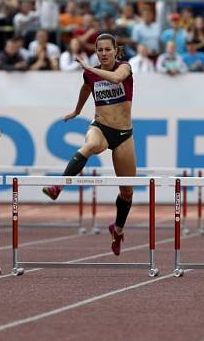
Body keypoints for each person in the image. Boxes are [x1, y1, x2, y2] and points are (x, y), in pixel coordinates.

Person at [42, 33, 136, 256]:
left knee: (127, 192)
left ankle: (118, 229)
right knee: (90, 146)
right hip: (101, 127)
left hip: (123, 134)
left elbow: (115, 79)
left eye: (107, 49)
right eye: (99, 50)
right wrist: (77, 110)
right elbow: (86, 89)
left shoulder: (125, 67)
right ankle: (59, 186)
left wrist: (90, 69)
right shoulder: (90, 75)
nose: (103, 54)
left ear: (115, 50)